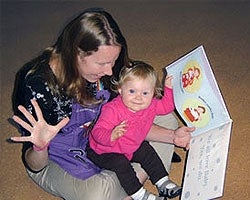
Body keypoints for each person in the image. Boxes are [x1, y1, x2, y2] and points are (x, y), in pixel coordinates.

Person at [9, 7, 194, 200]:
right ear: (75, 53)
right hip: (57, 157)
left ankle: (128, 184)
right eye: (102, 64)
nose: (109, 71)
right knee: (97, 194)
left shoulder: (109, 65)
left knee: (166, 118)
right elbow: (35, 165)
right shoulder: (37, 86)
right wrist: (40, 146)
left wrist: (173, 136)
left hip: (109, 139)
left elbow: (127, 117)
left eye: (112, 62)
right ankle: (133, 182)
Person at [86, 61, 181, 200]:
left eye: (145, 93)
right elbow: (97, 131)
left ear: (153, 93)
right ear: (120, 89)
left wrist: (168, 89)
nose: (138, 97)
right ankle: (139, 194)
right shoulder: (112, 109)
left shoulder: (151, 105)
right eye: (132, 91)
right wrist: (111, 135)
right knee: (121, 164)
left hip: (130, 145)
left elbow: (166, 107)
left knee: (147, 151)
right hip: (102, 150)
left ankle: (162, 181)